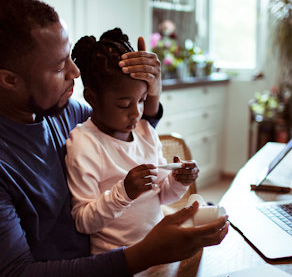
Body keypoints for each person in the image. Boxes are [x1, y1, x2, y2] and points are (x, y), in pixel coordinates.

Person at [0, 0, 228, 277]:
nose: (74, 72)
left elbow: (123, 128)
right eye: (59, 66)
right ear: (9, 79)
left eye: (69, 57)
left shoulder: (60, 111)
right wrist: (145, 253)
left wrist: (151, 91)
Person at [66, 28, 199, 255]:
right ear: (91, 98)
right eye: (124, 104)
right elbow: (83, 221)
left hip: (157, 249)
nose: (136, 113)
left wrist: (178, 181)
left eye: (141, 101)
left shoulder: (145, 131)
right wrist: (125, 192)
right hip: (115, 260)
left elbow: (162, 196)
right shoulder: (84, 143)